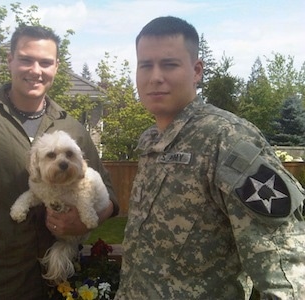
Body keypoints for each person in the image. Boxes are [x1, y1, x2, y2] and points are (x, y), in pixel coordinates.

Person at [115, 16, 305, 299]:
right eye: (145, 65)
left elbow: (284, 270)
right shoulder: (151, 140)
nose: (155, 76)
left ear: (196, 70)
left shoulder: (227, 139)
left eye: (169, 64)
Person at [0, 25, 118, 300]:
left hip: (64, 286)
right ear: (10, 59)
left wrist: (85, 222)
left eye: (45, 62)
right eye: (26, 59)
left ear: (56, 67)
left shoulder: (72, 129)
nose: (36, 70)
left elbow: (110, 196)